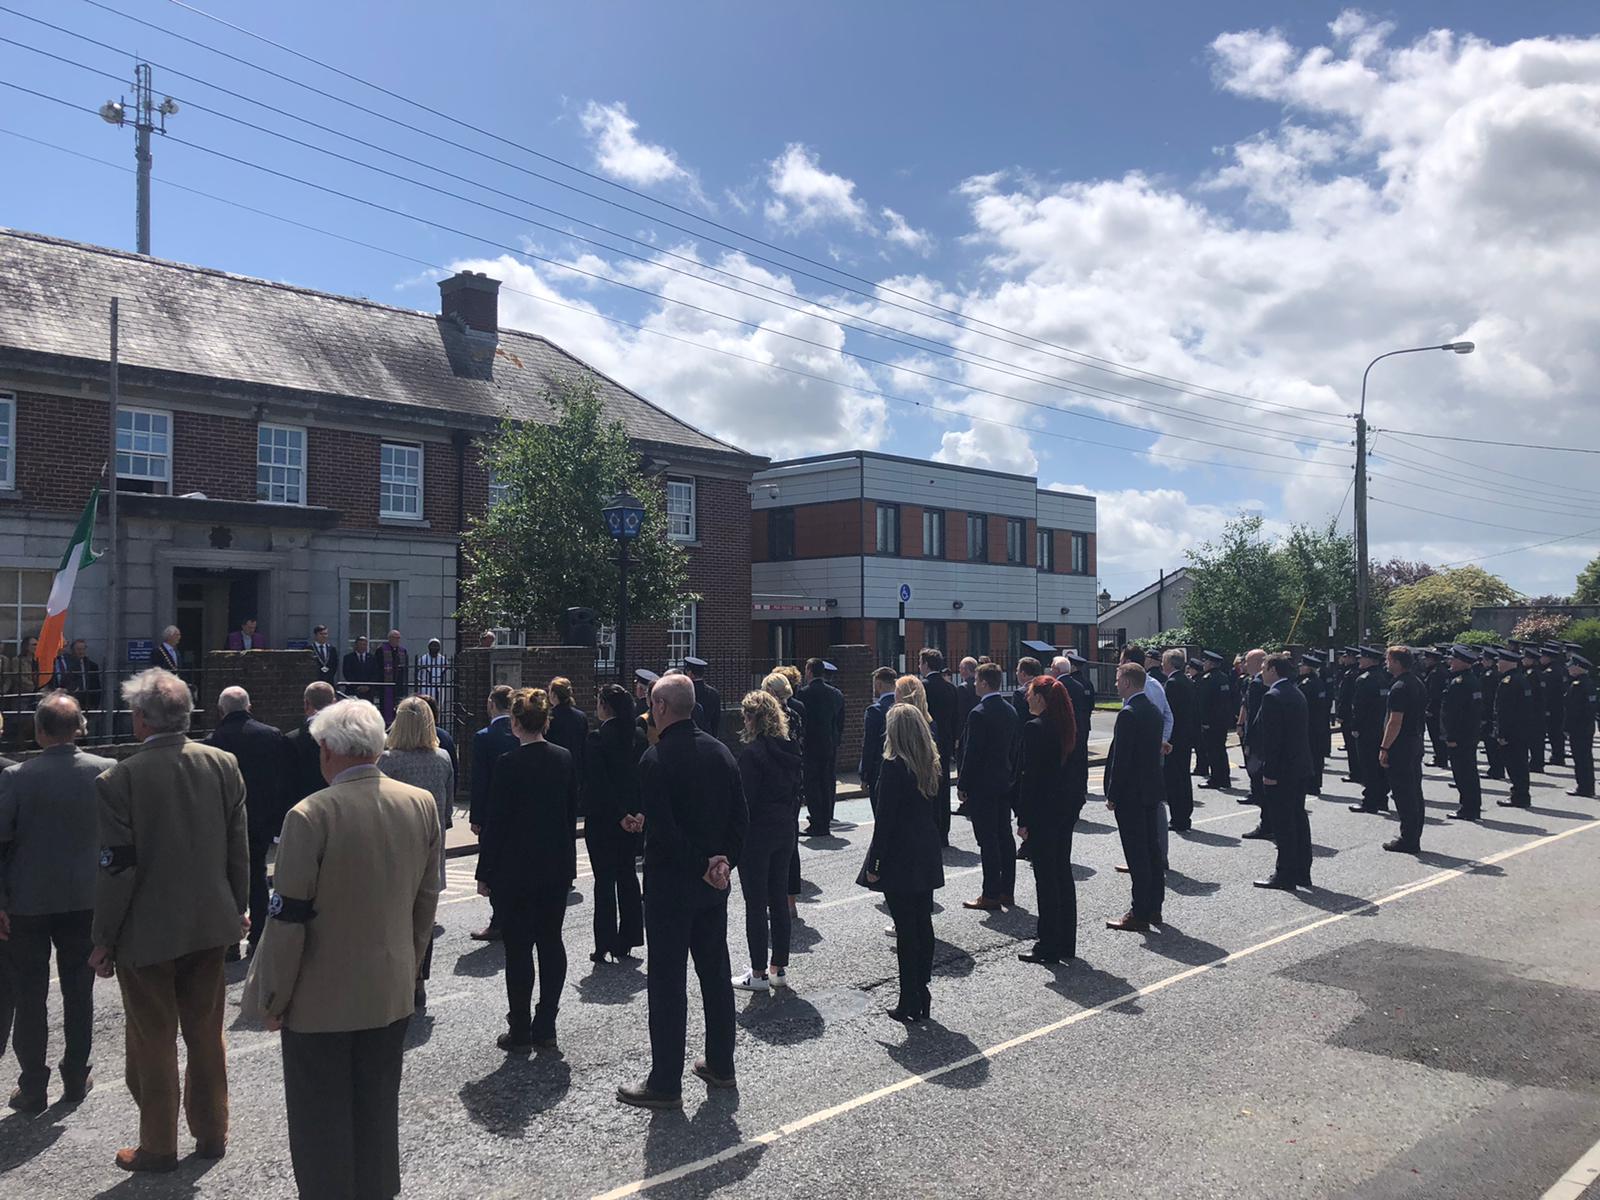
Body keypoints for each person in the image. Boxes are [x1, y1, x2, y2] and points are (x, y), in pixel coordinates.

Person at [242, 698, 440, 1200]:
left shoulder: (310, 814)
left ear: (328, 749)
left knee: (320, 1125)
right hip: (390, 987)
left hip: (320, 999)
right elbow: (426, 902)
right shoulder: (420, 804)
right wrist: (410, 968)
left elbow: (288, 919)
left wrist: (272, 997)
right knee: (377, 1114)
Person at [91, 668, 248, 1173]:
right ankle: (212, 1131)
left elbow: (117, 868)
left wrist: (103, 939)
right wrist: (238, 907)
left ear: (141, 719)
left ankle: (159, 1145)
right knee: (206, 1033)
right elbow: (238, 847)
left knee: (153, 1040)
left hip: (146, 930)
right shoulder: (223, 764)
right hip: (209, 921)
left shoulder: (119, 779)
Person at [617, 674, 746, 1110]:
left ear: (661, 707)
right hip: (714, 887)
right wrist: (723, 863)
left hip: (672, 887)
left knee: (668, 983)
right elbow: (740, 819)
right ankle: (721, 1064)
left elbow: (666, 832)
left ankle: (666, 1081)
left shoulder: (655, 759)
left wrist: (700, 865)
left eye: (652, 706)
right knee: (715, 974)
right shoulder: (722, 752)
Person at [0, 692, 113, 1112]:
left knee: (30, 995)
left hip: (27, 901)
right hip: (85, 899)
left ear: (39, 731)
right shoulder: (107, 770)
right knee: (79, 991)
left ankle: (33, 1086)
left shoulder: (16, 777)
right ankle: (76, 1075)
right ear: (80, 727)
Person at [475, 688, 578, 1051]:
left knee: (518, 949)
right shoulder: (564, 758)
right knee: (551, 942)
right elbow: (570, 814)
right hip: (555, 866)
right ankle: (546, 1024)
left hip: (516, 870)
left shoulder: (508, 764)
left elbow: (497, 823)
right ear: (546, 721)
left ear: (515, 723)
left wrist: (484, 872)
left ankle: (519, 1029)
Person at [860, 704, 944, 1022]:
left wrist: (875, 864)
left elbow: (885, 821)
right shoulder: (930, 763)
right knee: (923, 923)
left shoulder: (893, 766)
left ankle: (909, 998)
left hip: (900, 855)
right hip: (926, 849)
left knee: (906, 929)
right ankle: (921, 989)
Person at [204, 686, 294, 960]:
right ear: (249, 706)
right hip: (261, 818)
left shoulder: (212, 742)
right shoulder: (271, 735)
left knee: (226, 878)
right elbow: (282, 779)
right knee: (256, 874)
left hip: (226, 820)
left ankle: (230, 941)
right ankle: (258, 937)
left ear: (221, 710)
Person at [378, 696, 455, 1009]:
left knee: (394, 920)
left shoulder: (387, 761)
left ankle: (393, 981)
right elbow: (448, 810)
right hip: (431, 847)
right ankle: (418, 981)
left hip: (395, 848)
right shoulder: (443, 758)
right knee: (424, 920)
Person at [732, 690, 802, 993]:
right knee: (779, 899)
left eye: (746, 716)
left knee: (756, 904)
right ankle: (778, 969)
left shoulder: (752, 754)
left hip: (757, 834)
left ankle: (758, 972)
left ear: (753, 718)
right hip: (785, 828)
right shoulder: (791, 748)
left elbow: (744, 800)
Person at [1013, 675, 1078, 964]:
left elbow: (1030, 778)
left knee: (1046, 879)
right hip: (1064, 810)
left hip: (1042, 812)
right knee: (1062, 873)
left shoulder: (1035, 728)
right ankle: (1066, 941)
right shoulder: (1067, 727)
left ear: (1040, 698)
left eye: (1030, 693)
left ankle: (1048, 944)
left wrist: (1023, 818)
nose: (1027, 698)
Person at [583, 684, 646, 964]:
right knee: (628, 876)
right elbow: (644, 777)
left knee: (604, 881)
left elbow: (598, 784)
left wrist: (619, 815)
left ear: (605, 706)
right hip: (633, 819)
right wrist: (639, 812)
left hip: (604, 821)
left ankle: (604, 941)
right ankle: (629, 937)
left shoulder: (597, 739)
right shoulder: (638, 736)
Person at [1104, 663, 1166, 932]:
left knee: (1137, 854)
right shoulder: (1152, 710)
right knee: (1152, 850)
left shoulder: (1129, 713)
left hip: (1131, 793)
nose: (1116, 684)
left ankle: (1139, 911)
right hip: (1150, 789)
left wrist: (1112, 794)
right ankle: (1154, 907)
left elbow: (1122, 760)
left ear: (1128, 682)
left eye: (1118, 679)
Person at [957, 662, 1018, 911]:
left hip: (982, 785)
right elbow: (1015, 748)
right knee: (1005, 836)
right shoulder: (1010, 710)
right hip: (1004, 780)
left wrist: (963, 784)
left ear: (983, 682)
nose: (974, 685)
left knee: (987, 839)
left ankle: (990, 893)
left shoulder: (978, 713)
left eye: (976, 681)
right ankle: (1007, 890)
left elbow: (972, 753)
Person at [1250, 654, 1313, 890]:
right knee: (1298, 819)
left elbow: (1273, 740)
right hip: (1299, 766)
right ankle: (1302, 871)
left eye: (1264, 668)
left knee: (1283, 824)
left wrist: (1270, 772)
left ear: (1274, 670)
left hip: (1282, 770)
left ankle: (1285, 874)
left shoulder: (1273, 696)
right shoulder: (1296, 692)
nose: (1262, 672)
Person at [468, 685, 519, 942]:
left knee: (494, 866)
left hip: (491, 812)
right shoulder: (519, 733)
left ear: (491, 704)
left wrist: (476, 817)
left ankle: (499, 920)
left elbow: (480, 781)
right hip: (519, 810)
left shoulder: (483, 737)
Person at [763, 671, 807, 913]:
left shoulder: (767, 718)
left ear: (770, 692)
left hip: (772, 788)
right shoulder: (796, 715)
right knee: (791, 843)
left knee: (770, 847)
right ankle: (790, 902)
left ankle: (773, 902)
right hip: (793, 785)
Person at [1379, 646, 1428, 853]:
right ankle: (1414, 835)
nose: (1386, 663)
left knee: (1404, 793)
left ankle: (1408, 839)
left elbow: (1395, 721)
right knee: (1415, 791)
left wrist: (1384, 747)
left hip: (1401, 745)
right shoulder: (1417, 682)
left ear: (1397, 663)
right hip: (1415, 740)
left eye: (1389, 660)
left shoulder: (1399, 687)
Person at [796, 658, 843, 837]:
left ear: (809, 671)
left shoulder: (804, 693)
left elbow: (801, 719)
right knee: (826, 782)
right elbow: (839, 721)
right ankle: (826, 819)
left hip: (811, 744)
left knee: (812, 784)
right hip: (829, 744)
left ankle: (817, 822)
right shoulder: (835, 693)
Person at [920, 649, 960, 846]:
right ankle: (944, 831)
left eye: (921, 663)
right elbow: (956, 718)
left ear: (926, 664)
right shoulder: (950, 688)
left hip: (928, 743)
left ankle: (931, 830)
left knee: (928, 788)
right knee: (943, 788)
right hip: (945, 743)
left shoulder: (923, 687)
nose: (920, 667)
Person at [1441, 646, 1484, 820]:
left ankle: (1468, 809)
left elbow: (1455, 714)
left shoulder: (1460, 683)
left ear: (1462, 662)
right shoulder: (1472, 680)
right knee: (1469, 772)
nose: (1450, 662)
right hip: (1469, 734)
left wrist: (1451, 736)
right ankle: (1471, 807)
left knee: (1463, 773)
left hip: (1460, 736)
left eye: (1453, 659)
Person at [1348, 648, 1391, 815]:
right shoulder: (1385, 677)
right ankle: (1382, 799)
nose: (1359, 661)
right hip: (1382, 728)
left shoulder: (1364, 679)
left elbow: (1359, 707)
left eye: (1363, 658)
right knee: (1380, 767)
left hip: (1367, 729)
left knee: (1368, 767)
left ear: (1370, 660)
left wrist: (1355, 726)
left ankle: (1370, 802)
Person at [286, 682, 338, 814]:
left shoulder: (292, 740)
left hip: (304, 809)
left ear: (306, 704)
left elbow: (287, 785)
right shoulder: (348, 737)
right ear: (334, 703)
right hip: (340, 807)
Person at [1493, 646, 1533, 808]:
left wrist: (1502, 733)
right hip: (1522, 729)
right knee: (1521, 763)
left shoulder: (1509, 681)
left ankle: (1519, 796)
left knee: (1515, 764)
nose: (1497, 664)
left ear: (1508, 662)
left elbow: (1505, 711)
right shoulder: (1522, 678)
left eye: (1500, 661)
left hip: (1512, 731)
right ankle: (1522, 794)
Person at [1163, 649, 1197, 829]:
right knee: (1183, 777)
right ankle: (1184, 815)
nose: (1162, 665)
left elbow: (1169, 713)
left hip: (1175, 737)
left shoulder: (1173, 683)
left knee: (1175, 779)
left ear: (1169, 663)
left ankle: (1179, 818)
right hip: (1186, 735)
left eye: (1164, 661)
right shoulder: (1187, 681)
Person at [1237, 649, 1269, 835]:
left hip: (1258, 740)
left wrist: (1248, 741)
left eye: (1248, 662)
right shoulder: (1259, 681)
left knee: (1259, 780)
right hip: (1263, 739)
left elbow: (1255, 716)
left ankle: (1267, 825)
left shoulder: (1257, 684)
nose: (1245, 665)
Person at [859, 667, 898, 804]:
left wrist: (864, 774)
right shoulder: (906, 708)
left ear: (879, 684)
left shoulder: (874, 711)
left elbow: (869, 744)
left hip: (880, 769)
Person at [1197, 650, 1234, 789]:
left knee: (1213, 751)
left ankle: (1216, 779)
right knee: (1220, 750)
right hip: (1222, 721)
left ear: (1211, 663)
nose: (1204, 664)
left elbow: (1204, 703)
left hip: (1211, 722)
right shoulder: (1223, 677)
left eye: (1205, 661)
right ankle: (1225, 778)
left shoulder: (1208, 679)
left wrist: (1204, 721)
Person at [1297, 653, 1332, 797]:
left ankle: (1310, 784)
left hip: (1309, 725)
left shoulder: (1306, 684)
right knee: (1317, 756)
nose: (1300, 668)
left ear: (1308, 668)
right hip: (1319, 724)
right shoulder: (1318, 682)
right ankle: (1316, 783)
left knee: (1309, 755)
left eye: (1303, 665)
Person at [1564, 654, 1596, 798]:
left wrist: (1567, 727)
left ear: (1578, 667)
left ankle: (1584, 787)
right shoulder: (1589, 683)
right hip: (1587, 726)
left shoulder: (1577, 685)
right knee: (1586, 758)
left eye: (1571, 666)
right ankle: (1588, 786)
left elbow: (1573, 710)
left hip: (1578, 727)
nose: (1569, 669)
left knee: (1581, 759)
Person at [545, 676, 588, 774]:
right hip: (577, 766)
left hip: (555, 767)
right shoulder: (581, 716)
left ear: (554, 694)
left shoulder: (549, 717)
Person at [51, 639, 102, 711]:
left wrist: (95, 704)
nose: (81, 652)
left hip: (88, 702)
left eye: (83, 649)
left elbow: (96, 686)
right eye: (78, 649)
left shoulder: (92, 666)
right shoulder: (68, 662)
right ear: (72, 650)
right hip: (70, 699)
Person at [1335, 647, 1361, 784]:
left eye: (1347, 657)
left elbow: (1346, 697)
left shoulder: (1350, 674)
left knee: (1351, 747)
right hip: (1354, 715)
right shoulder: (1356, 672)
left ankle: (1355, 773)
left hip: (1349, 715)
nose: (1344, 659)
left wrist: (1340, 714)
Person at [1421, 647, 1448, 769]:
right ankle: (1441, 757)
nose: (1425, 661)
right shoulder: (1439, 670)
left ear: (1432, 659)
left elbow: (1434, 693)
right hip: (1439, 708)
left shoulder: (1436, 673)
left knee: (1436, 735)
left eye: (1427, 659)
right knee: (1438, 735)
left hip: (1435, 709)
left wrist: (1429, 709)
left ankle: (1441, 758)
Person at [684, 656, 722, 739]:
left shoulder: (685, 691)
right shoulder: (714, 693)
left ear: (690, 673)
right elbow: (716, 719)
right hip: (708, 735)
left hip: (688, 736)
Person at [375, 630, 409, 723]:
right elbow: (377, 668)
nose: (397, 640)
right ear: (389, 638)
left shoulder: (402, 651)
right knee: (386, 708)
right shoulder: (381, 650)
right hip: (386, 685)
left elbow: (405, 669)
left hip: (399, 685)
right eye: (395, 638)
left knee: (398, 707)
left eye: (398, 638)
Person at [342, 635, 379, 704]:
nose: (362, 646)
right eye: (360, 644)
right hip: (353, 690)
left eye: (364, 644)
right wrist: (357, 686)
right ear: (356, 645)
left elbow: (375, 673)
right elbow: (347, 673)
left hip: (368, 692)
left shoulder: (372, 658)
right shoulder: (348, 658)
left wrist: (368, 686)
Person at [415, 638, 448, 706]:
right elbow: (418, 674)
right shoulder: (423, 659)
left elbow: (445, 672)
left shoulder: (443, 659)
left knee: (439, 705)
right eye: (433, 645)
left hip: (439, 686)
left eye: (437, 646)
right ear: (429, 647)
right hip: (426, 685)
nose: (435, 648)